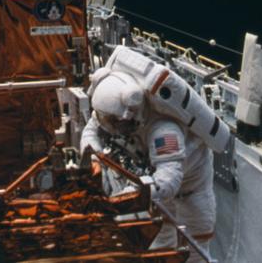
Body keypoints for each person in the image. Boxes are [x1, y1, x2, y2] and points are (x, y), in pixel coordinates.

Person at [80, 65, 216, 249]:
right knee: (161, 241)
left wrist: (132, 193)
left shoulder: (164, 130)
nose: (107, 126)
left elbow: (168, 180)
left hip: (190, 190)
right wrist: (95, 160)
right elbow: (91, 130)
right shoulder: (113, 113)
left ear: (129, 117)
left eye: (111, 122)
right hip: (156, 187)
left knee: (195, 247)